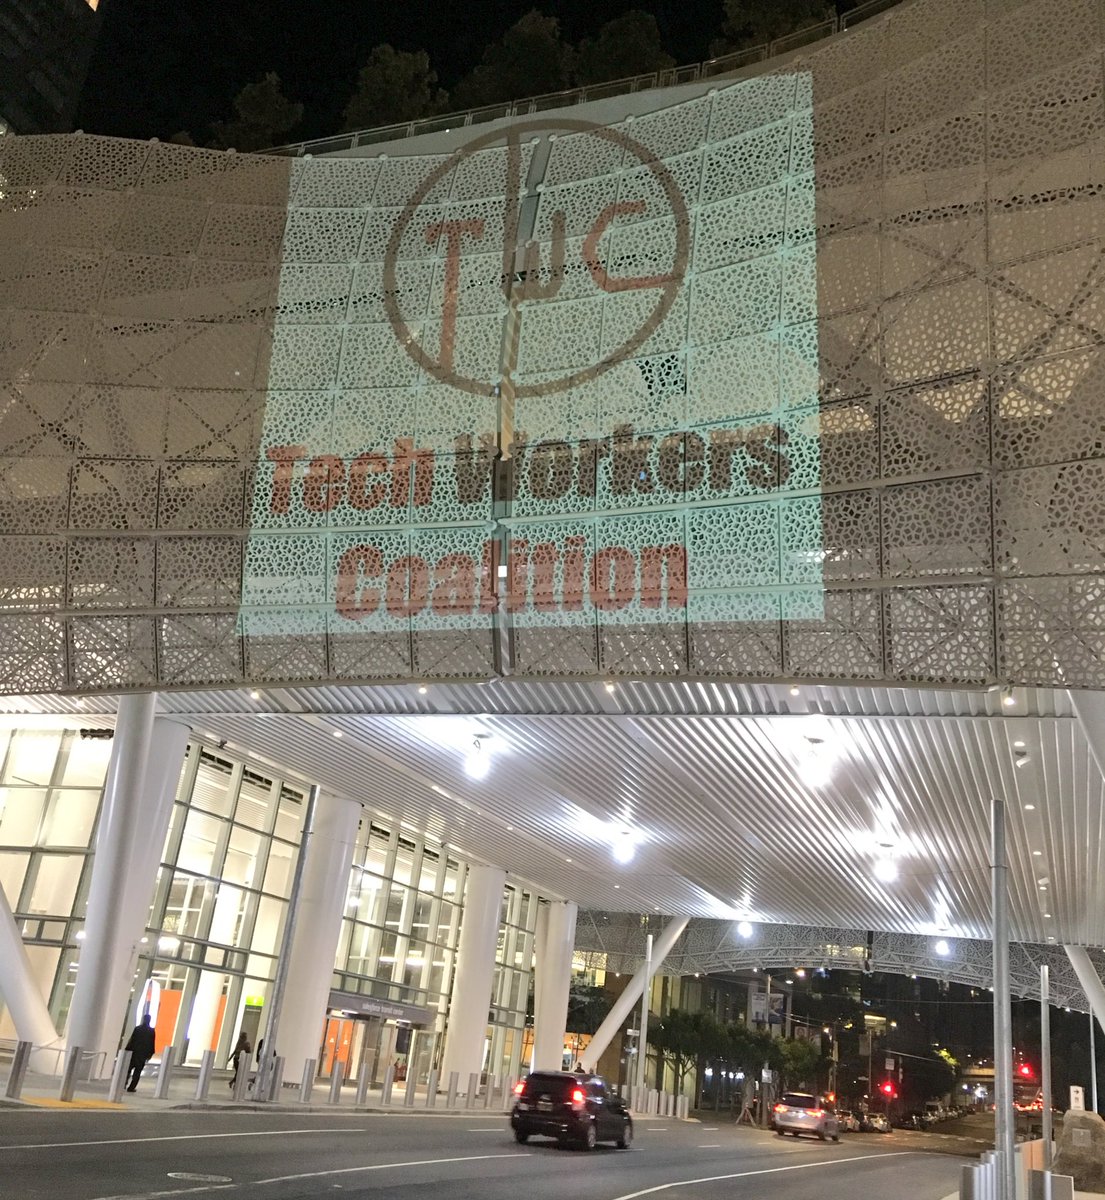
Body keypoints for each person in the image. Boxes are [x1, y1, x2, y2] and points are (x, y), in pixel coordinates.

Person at [123, 1014, 156, 1092]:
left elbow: (132, 1040)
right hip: (142, 1054)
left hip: (134, 1052)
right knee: (137, 1072)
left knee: (128, 1069)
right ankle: (131, 1087)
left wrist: (127, 1049)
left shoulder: (137, 1029)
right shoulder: (151, 1031)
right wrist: (150, 1054)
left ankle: (123, 1083)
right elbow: (152, 1043)